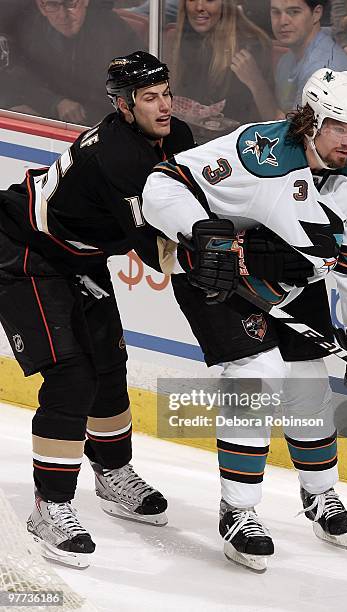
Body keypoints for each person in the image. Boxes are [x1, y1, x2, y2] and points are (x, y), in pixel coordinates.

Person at [142, 69, 347, 572]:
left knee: (306, 379)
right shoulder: (257, 152)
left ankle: (321, 495)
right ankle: (238, 511)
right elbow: (162, 183)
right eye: (340, 126)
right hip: (214, 272)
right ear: (312, 120)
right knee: (258, 374)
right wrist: (198, 231)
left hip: (289, 275)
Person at [0, 51, 194, 568]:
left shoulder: (178, 138)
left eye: (166, 93)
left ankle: (111, 473)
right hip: (27, 250)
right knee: (71, 376)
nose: (163, 106)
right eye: (149, 98)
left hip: (77, 255)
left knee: (109, 367)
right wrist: (214, 257)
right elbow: (155, 252)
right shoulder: (116, 156)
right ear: (123, 106)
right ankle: (51, 504)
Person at [12, 0, 145, 124]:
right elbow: (19, 78)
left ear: (85, 1)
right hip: (49, 123)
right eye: (52, 5)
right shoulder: (29, 29)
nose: (63, 15)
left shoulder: (116, 33)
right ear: (41, 7)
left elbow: (140, 89)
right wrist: (54, 103)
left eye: (70, 3)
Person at [167, 0, 277, 142]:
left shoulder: (251, 44)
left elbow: (262, 120)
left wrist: (255, 81)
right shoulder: (181, 38)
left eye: (209, 0)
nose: (199, 7)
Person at [270, 0, 347, 113]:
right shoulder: (288, 58)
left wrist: (256, 84)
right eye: (276, 12)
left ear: (316, 13)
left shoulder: (321, 71)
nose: (283, 21)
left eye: (294, 12)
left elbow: (294, 129)